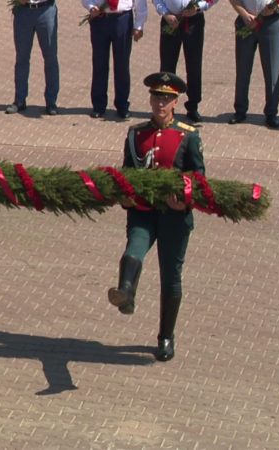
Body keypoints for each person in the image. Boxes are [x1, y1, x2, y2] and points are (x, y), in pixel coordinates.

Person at [108, 72, 205, 362]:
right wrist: (124, 197)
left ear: (176, 102)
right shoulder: (136, 133)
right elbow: (127, 171)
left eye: (165, 98)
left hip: (175, 217)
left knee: (170, 276)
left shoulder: (188, 135)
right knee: (133, 249)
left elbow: (199, 178)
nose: (159, 103)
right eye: (155, 97)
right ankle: (125, 292)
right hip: (143, 211)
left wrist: (184, 202)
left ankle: (165, 336)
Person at [228, 0, 279, 129]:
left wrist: (273, 8)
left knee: (272, 72)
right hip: (246, 22)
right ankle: (240, 110)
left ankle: (271, 113)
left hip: (271, 22)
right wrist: (244, 14)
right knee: (242, 69)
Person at [153, 0, 218, 123]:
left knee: (194, 65)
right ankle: (167, 105)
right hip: (170, 20)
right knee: (167, 65)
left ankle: (193, 106)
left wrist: (198, 8)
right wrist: (165, 14)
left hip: (194, 21)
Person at [81, 0, 147, 120]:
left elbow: (140, 3)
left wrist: (139, 25)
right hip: (100, 19)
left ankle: (122, 105)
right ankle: (98, 105)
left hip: (122, 19)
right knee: (99, 63)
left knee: (122, 65)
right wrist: (91, 7)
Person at [5, 0, 59, 116]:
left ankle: (51, 102)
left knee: (50, 58)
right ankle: (19, 100)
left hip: (46, 10)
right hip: (23, 11)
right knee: (22, 58)